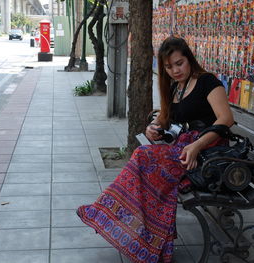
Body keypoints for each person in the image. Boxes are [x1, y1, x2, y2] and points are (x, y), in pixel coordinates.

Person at [77, 36, 234, 263]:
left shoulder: (207, 81)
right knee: (148, 173)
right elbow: (166, 117)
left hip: (207, 153)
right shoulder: (176, 87)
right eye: (169, 67)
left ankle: (112, 216)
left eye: (179, 63)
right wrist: (154, 127)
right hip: (184, 148)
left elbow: (226, 119)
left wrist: (197, 145)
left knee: (143, 157)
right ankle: (149, 239)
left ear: (189, 59)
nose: (175, 70)